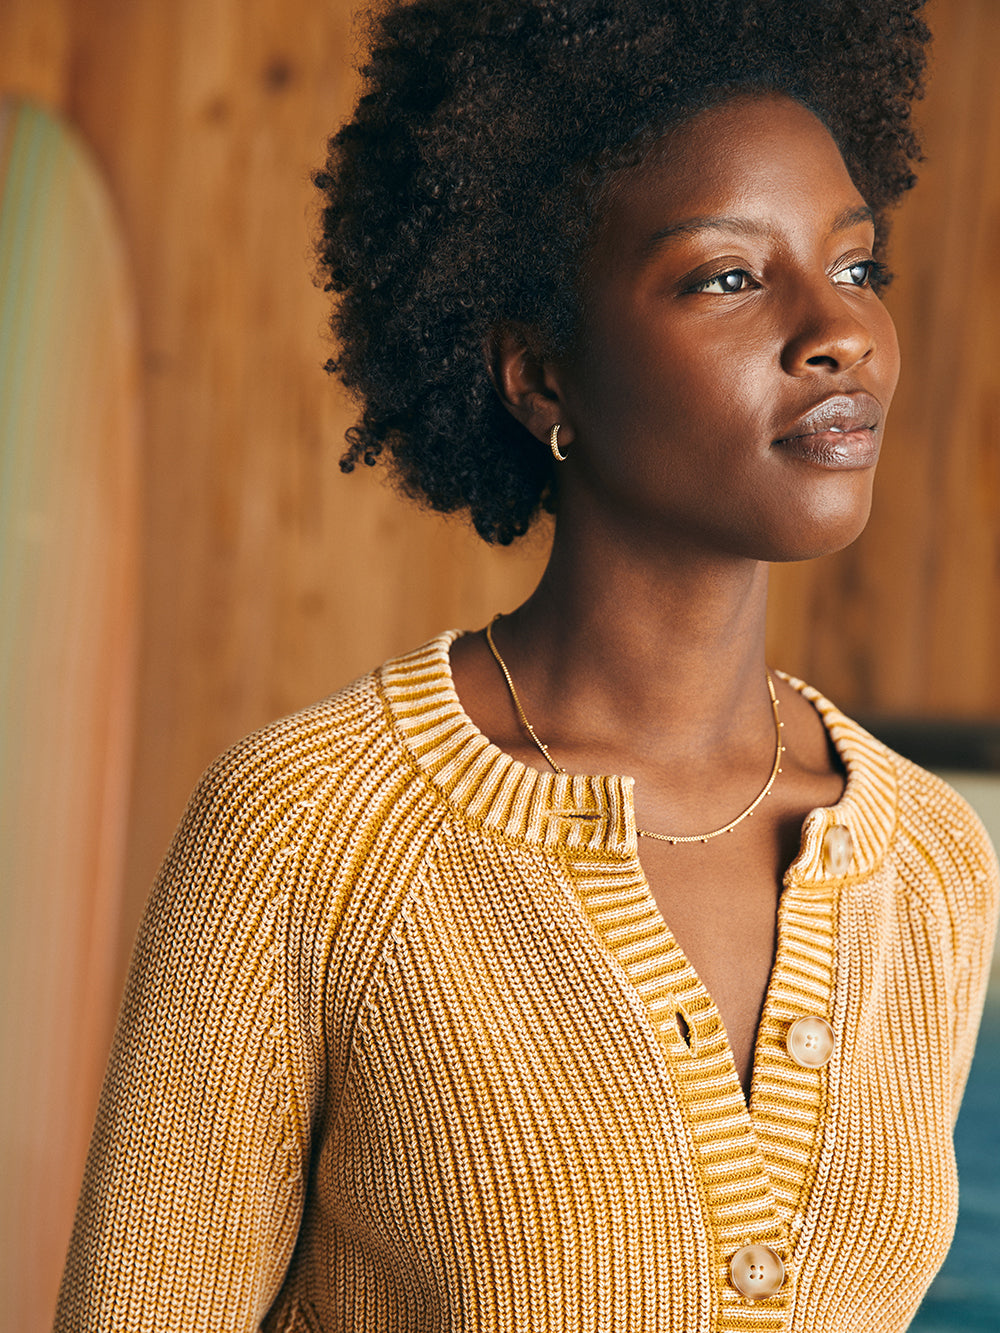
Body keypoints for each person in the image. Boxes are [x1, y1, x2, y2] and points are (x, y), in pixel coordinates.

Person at [58, 1, 998, 1330]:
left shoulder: (933, 861)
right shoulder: (314, 831)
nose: (834, 329)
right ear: (544, 376)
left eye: (857, 266)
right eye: (728, 276)